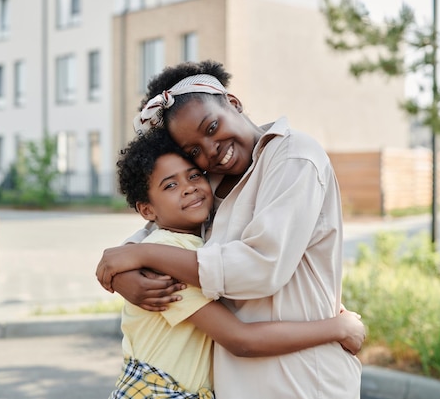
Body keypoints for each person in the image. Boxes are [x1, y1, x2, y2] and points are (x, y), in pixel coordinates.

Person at [97, 60, 363, 398]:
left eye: (211, 128)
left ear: (233, 103)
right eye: (194, 151)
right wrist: (124, 275)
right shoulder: (211, 182)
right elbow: (163, 232)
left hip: (300, 380)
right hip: (236, 384)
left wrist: (141, 256)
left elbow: (260, 267)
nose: (211, 151)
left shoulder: (293, 157)